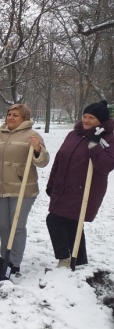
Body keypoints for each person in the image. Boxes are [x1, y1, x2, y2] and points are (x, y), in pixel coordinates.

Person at [46, 101, 114, 268]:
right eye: (85, 116)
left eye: (92, 117)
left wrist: (94, 144)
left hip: (84, 190)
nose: (87, 120)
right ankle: (80, 263)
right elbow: (59, 159)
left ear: (102, 120)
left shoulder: (109, 138)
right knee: (72, 225)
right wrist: (51, 182)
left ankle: (64, 260)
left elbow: (105, 166)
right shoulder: (73, 134)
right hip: (62, 187)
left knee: (55, 220)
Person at [0, 103, 49, 274]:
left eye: (15, 115)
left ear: (24, 118)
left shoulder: (32, 136)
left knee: (18, 226)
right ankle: (4, 257)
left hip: (22, 188)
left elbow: (43, 162)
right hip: (0, 187)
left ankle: (14, 261)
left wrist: (37, 149)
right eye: (9, 114)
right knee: (4, 225)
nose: (11, 118)